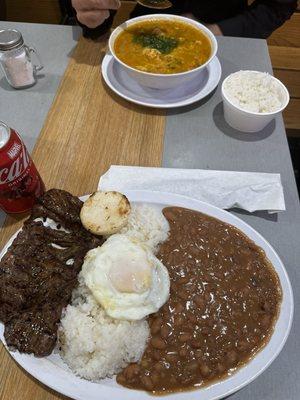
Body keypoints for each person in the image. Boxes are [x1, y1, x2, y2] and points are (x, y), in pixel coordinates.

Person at [68, 0, 297, 38]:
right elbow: (94, 15)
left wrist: (216, 30)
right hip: (141, 30)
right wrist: (93, 17)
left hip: (228, 36)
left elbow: (277, 6)